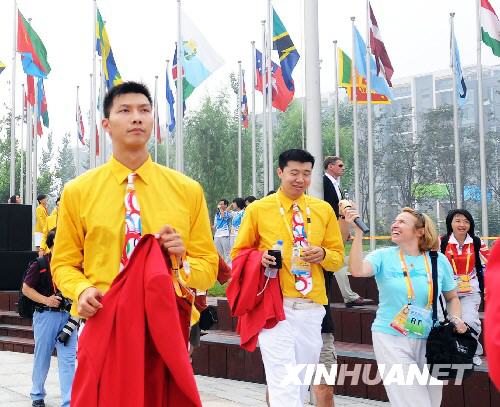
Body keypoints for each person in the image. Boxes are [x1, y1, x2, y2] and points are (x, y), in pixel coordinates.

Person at [51, 81, 218, 322]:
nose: (136, 118)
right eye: (125, 110)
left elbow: (209, 267)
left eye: (144, 110)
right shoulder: (78, 191)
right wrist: (81, 289)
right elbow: (63, 264)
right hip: (104, 320)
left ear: (152, 120)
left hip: (169, 324)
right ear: (106, 125)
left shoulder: (187, 190)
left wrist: (181, 263)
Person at [232, 149, 344, 406]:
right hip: (275, 306)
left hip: (312, 307)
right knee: (283, 381)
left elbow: (337, 257)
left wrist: (323, 253)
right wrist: (259, 258)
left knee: (301, 382)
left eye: (306, 173)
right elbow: (239, 253)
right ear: (280, 172)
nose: (300, 179)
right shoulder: (259, 209)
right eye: (294, 172)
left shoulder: (323, 210)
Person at [347, 206, 466, 407]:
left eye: (402, 221)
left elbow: (452, 298)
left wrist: (456, 318)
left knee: (432, 401)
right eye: (395, 220)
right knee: (412, 401)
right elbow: (357, 270)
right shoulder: (382, 256)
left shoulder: (437, 260)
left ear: (419, 231)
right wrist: (358, 232)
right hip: (391, 336)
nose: (395, 224)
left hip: (432, 340)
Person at [22, 229, 77, 407]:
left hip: (68, 316)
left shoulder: (72, 264)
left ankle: (68, 401)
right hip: (45, 316)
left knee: (68, 360)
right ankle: (37, 394)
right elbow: (26, 289)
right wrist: (47, 300)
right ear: (54, 244)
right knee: (42, 357)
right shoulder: (40, 263)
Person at [440, 209, 489, 365]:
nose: (462, 224)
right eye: (458, 220)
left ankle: (472, 351)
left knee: (470, 321)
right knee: (451, 322)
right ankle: (453, 351)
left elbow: (491, 263)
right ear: (450, 223)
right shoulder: (441, 242)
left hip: (471, 290)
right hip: (447, 291)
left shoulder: (476, 242)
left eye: (466, 221)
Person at [323, 156, 373, 308]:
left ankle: (348, 295)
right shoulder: (323, 183)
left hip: (338, 225)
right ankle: (349, 296)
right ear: (330, 166)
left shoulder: (335, 184)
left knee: (337, 260)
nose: (343, 168)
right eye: (340, 165)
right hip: (330, 226)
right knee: (337, 260)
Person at [213, 199, 232, 264]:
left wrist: (220, 209)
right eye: (219, 204)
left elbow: (223, 216)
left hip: (225, 234)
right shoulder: (217, 215)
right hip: (217, 235)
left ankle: (229, 268)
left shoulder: (229, 213)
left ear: (226, 205)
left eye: (221, 204)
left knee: (227, 252)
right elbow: (214, 226)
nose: (220, 205)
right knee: (218, 253)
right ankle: (220, 268)